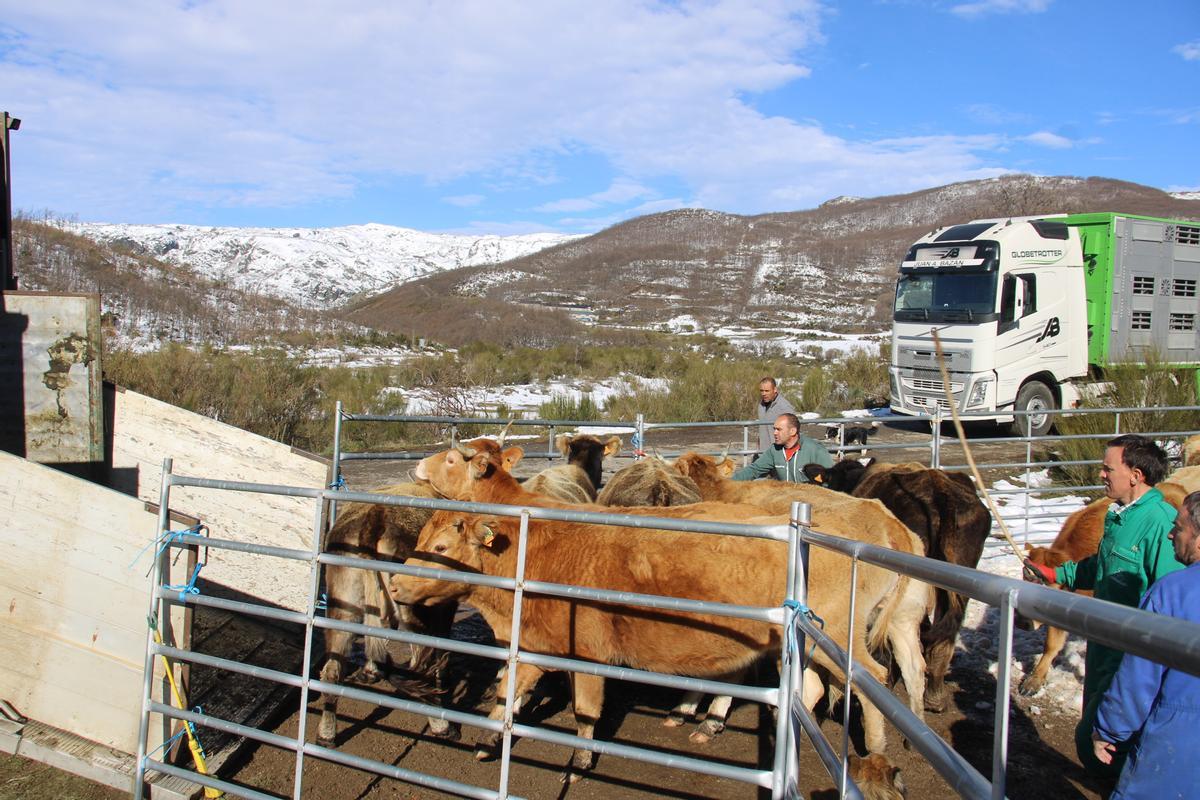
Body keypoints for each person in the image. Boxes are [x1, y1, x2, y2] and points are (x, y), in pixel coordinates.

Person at [1023, 434, 1183, 777]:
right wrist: (1055, 571)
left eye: (1108, 468)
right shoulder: (1117, 515)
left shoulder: (1160, 521)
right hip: (1102, 642)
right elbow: (1099, 566)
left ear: (1136, 475)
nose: (1100, 474)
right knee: (1094, 729)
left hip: (1133, 650)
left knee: (1109, 740)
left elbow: (1172, 600)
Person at [1089, 491, 1200, 799]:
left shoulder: (1171, 592)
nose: (1170, 534)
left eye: (1179, 527)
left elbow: (1140, 676)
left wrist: (1110, 729)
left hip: (1179, 741)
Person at [732, 412, 832, 483]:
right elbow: (754, 470)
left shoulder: (816, 450)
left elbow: (831, 479)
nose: (774, 433)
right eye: (774, 429)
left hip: (810, 502)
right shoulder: (774, 450)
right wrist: (727, 483)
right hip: (784, 499)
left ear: (792, 431)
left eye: (779, 429)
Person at [754, 377, 795, 453]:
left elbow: (793, 432)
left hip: (779, 453)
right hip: (762, 452)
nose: (764, 394)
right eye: (761, 391)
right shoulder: (761, 405)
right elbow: (762, 428)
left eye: (767, 391)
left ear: (775, 389)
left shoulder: (784, 407)